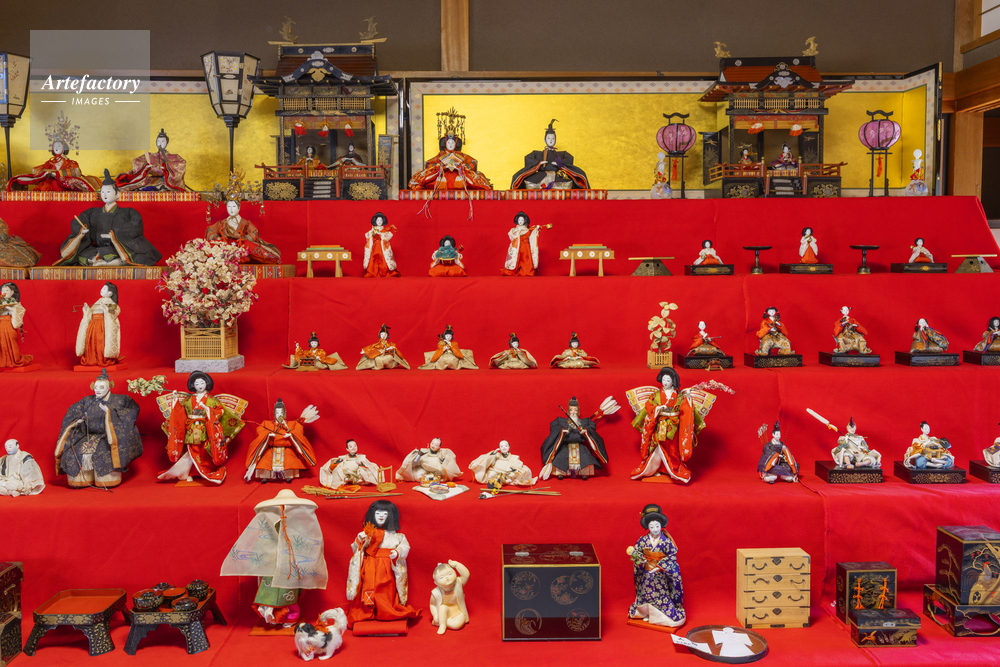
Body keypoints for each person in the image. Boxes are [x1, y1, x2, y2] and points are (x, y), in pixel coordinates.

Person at [221, 489, 328, 628]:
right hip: (272, 565)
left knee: (289, 594)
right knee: (271, 593)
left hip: (289, 565)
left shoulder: (298, 526)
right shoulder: (270, 526)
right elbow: (261, 544)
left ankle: (289, 618)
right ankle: (273, 617)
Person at [54, 369, 143, 489]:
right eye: (96, 387)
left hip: (108, 436)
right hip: (89, 434)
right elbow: (72, 413)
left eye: (101, 387)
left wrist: (110, 413)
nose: (97, 390)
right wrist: (77, 422)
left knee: (104, 453)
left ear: (109, 387)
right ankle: (81, 480)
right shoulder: (87, 401)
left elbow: (132, 411)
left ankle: (106, 479)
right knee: (72, 452)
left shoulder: (122, 400)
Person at [55, 170, 163, 267]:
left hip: (119, 247)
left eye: (108, 191)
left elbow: (135, 227)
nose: (105, 194)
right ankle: (101, 261)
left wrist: (114, 235)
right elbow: (80, 221)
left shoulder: (129, 212)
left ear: (117, 194)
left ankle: (105, 262)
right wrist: (81, 231)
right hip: (96, 249)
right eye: (102, 192)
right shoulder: (92, 212)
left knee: (137, 256)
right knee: (81, 255)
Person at [158, 371, 245, 484]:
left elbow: (220, 410)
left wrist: (207, 409)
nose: (199, 386)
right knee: (191, 450)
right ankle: (190, 473)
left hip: (205, 428)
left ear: (206, 384)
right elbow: (179, 411)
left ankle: (206, 471)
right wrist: (175, 399)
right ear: (193, 385)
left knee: (204, 450)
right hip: (191, 428)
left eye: (202, 383)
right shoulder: (188, 399)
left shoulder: (212, 400)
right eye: (197, 383)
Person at [346, 500, 421, 629]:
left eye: (385, 513)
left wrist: (397, 553)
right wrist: (362, 541)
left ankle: (385, 611)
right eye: (378, 513)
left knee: (385, 590)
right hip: (369, 565)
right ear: (372, 514)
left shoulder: (398, 536)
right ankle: (367, 611)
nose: (381, 516)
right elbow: (356, 549)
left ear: (391, 516)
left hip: (387, 567)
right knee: (368, 587)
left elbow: (405, 547)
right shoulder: (365, 533)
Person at [630, 368, 704, 483]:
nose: (665, 382)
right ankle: (655, 469)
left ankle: (672, 469)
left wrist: (689, 398)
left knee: (673, 450)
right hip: (660, 424)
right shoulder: (656, 395)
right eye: (663, 379)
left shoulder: (679, 395)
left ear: (673, 381)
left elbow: (686, 409)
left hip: (673, 426)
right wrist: (657, 408)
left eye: (668, 380)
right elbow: (648, 406)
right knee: (657, 448)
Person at [625, 504, 685, 629]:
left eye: (657, 526)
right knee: (645, 594)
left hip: (660, 575)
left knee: (660, 596)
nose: (655, 529)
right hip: (647, 574)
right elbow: (638, 553)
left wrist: (660, 566)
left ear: (661, 525)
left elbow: (672, 556)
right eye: (652, 527)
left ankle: (658, 615)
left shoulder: (666, 541)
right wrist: (638, 557)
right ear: (648, 527)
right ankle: (647, 613)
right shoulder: (643, 540)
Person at [6, 117, 101, 192]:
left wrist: (57, 173)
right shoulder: (50, 162)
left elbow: (77, 172)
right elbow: (35, 170)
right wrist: (46, 172)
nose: (56, 147)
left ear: (64, 147)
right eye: (54, 146)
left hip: (64, 185)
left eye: (59, 146)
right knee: (46, 185)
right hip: (50, 184)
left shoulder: (70, 163)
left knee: (56, 183)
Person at [408, 108, 492, 191]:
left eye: (452, 143)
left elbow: (474, 162)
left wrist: (461, 167)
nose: (450, 145)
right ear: (445, 143)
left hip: (459, 175)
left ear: (456, 144)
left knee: (473, 179)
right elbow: (427, 164)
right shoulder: (441, 154)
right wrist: (440, 166)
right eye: (448, 142)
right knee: (427, 178)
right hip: (443, 175)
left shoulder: (461, 155)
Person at [244, 399, 319, 483]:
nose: (279, 414)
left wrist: (291, 435)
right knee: (265, 461)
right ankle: (266, 476)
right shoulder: (266, 424)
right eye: (277, 412)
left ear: (284, 413)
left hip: (286, 449)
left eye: (281, 412)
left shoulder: (291, 424)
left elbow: (298, 430)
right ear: (274, 413)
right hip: (271, 449)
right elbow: (260, 430)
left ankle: (288, 476)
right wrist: (268, 435)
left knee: (289, 461)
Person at [540, 396, 608, 480]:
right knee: (561, 457)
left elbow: (591, 426)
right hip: (565, 445)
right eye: (571, 410)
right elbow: (554, 425)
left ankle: (583, 473)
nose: (573, 412)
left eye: (575, 410)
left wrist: (586, 431)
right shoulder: (561, 421)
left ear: (578, 411)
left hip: (580, 445)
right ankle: (561, 473)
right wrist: (562, 431)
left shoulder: (584, 422)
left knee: (585, 458)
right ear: (568, 411)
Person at [511, 119, 591, 190]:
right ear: (544, 140)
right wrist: (539, 163)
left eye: (553, 138)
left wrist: (560, 163)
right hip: (541, 175)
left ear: (555, 140)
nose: (551, 140)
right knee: (526, 180)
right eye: (548, 138)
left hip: (557, 176)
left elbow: (569, 158)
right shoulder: (538, 154)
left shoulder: (561, 154)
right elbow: (528, 158)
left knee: (568, 181)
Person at [206, 198, 281, 264]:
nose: (231, 209)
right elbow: (210, 230)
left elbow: (254, 232)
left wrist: (242, 238)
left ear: (239, 208)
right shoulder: (221, 223)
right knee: (208, 246)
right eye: (229, 206)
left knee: (250, 246)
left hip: (241, 244)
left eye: (234, 206)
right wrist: (219, 239)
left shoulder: (245, 223)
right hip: (225, 244)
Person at [114, 128, 191, 191]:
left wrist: (167, 166)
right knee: (141, 189)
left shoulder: (174, 157)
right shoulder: (150, 156)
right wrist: (145, 166)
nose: (160, 143)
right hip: (150, 180)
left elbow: (181, 164)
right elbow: (136, 162)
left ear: (167, 143)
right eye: (158, 141)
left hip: (166, 181)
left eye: (163, 141)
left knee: (164, 189)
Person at [75, 282, 123, 367]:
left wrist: (107, 309)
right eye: (102, 288)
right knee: (91, 341)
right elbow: (91, 312)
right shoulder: (99, 301)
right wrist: (87, 309)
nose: (102, 290)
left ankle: (102, 358)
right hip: (93, 324)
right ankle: (92, 358)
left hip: (102, 325)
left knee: (101, 341)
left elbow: (116, 311)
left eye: (104, 289)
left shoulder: (111, 302)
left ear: (110, 293)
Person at [469, 440, 536, 491]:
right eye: (502, 446)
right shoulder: (496, 455)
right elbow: (487, 459)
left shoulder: (514, 457)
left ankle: (503, 481)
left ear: (509, 447)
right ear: (499, 448)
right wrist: (493, 453)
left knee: (522, 471)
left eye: (506, 446)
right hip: (496, 471)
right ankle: (502, 481)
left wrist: (512, 469)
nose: (504, 448)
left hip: (508, 473)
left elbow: (518, 465)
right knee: (491, 475)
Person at [501, 211, 551, 277]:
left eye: (522, 220)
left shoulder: (528, 230)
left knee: (526, 259)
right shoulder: (513, 230)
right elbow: (512, 237)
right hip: (517, 247)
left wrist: (535, 229)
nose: (520, 221)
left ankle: (526, 271)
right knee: (516, 259)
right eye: (519, 220)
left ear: (525, 220)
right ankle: (515, 270)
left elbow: (532, 235)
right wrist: (517, 233)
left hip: (526, 247)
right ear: (517, 220)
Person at [396, 437, 462, 484]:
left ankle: (432, 479)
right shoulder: (424, 451)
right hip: (424, 469)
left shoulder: (441, 453)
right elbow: (415, 463)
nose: (433, 445)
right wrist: (419, 455)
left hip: (436, 471)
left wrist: (442, 459)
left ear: (439, 447)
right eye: (432, 443)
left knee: (440, 476)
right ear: (430, 443)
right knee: (417, 474)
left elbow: (445, 464)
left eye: (436, 445)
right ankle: (427, 478)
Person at [429, 560, 470, 635]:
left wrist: (457, 565)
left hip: (458, 612)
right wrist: (435, 615)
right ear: (436, 582)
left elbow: (466, 575)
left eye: (449, 574)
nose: (447, 578)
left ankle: (441, 622)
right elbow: (432, 605)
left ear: (455, 573)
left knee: (457, 624)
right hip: (444, 613)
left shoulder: (458, 583)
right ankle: (442, 625)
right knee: (442, 607)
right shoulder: (435, 593)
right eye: (441, 577)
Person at [0, 282, 33, 369]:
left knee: (10, 341)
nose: (4, 292)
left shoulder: (15, 304)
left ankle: (13, 360)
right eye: (2, 290)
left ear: (12, 292)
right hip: (0, 323)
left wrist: (11, 309)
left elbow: (19, 312)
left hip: (9, 323)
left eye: (7, 290)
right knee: (1, 342)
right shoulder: (1, 302)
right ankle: (2, 361)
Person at [283, 332, 348, 371]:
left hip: (319, 363)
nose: (314, 344)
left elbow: (323, 356)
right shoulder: (308, 351)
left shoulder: (321, 351)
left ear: (317, 344)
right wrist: (298, 347)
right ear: (310, 344)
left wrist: (319, 358)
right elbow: (302, 353)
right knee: (303, 359)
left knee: (323, 364)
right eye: (312, 343)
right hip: (311, 364)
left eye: (315, 343)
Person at [363, 213, 400, 278]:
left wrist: (381, 234)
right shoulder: (372, 231)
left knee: (383, 259)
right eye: (378, 220)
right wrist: (374, 234)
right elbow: (368, 237)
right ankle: (372, 273)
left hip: (382, 247)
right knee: (373, 259)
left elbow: (388, 237)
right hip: (374, 247)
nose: (379, 222)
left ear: (383, 221)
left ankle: (384, 272)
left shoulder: (385, 230)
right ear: (375, 221)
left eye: (381, 220)